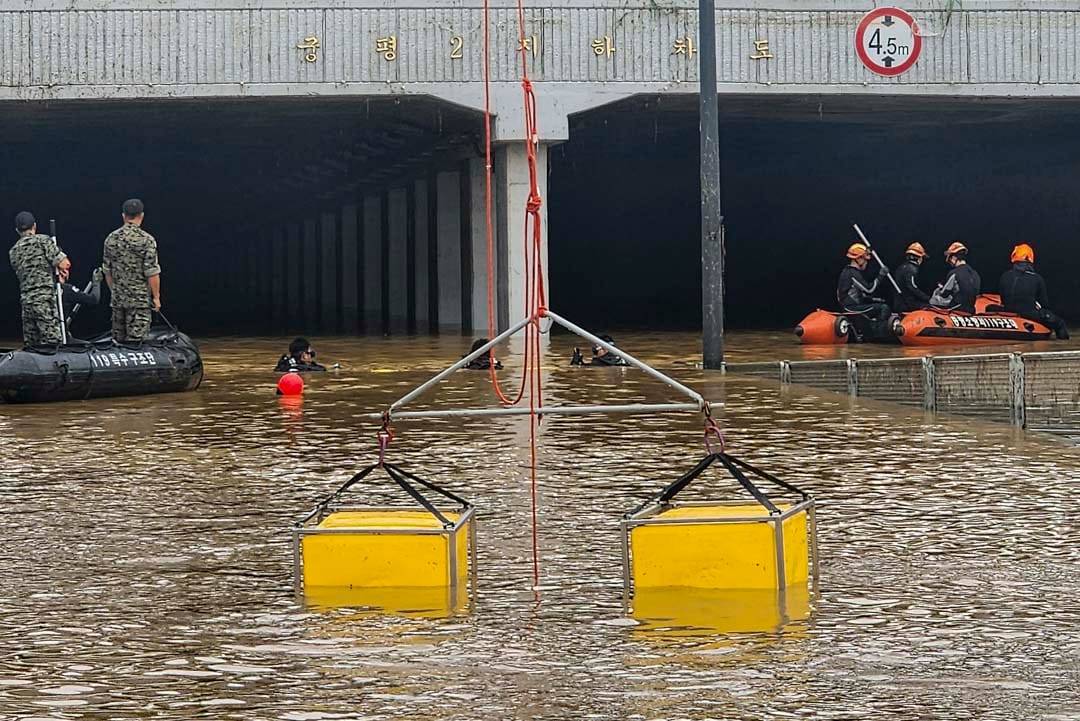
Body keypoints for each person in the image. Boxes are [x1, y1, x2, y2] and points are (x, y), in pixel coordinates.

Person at [102, 198, 161, 343]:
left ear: (123, 215)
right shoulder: (147, 240)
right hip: (139, 301)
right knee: (137, 343)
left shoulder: (111, 239)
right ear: (142, 215)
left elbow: (107, 271)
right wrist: (156, 297)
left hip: (118, 301)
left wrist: (114, 291)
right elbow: (152, 272)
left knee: (118, 342)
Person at [8, 211, 71, 347]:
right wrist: (61, 272)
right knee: (52, 342)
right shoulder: (43, 240)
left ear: (17, 230)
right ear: (34, 226)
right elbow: (65, 263)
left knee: (32, 345)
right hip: (44, 299)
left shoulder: (13, 251)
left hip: (26, 301)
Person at [999, 244, 1069, 340]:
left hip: (1007, 311)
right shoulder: (1036, 278)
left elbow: (1002, 298)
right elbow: (1044, 303)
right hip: (1028, 313)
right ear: (1029, 259)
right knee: (1060, 323)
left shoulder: (1005, 276)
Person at [836, 243, 891, 335]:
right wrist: (881, 275)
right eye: (865, 260)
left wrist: (873, 299)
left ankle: (871, 329)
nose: (866, 263)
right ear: (858, 259)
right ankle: (878, 335)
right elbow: (869, 289)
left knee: (879, 304)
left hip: (850, 305)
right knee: (884, 308)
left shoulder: (848, 271)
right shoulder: (852, 273)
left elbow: (858, 293)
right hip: (851, 308)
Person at [931, 242, 980, 315]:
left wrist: (940, 289)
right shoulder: (975, 274)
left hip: (956, 309)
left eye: (950, 260)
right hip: (971, 310)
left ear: (954, 258)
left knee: (932, 300)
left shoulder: (954, 273)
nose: (950, 263)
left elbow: (944, 293)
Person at [892, 242, 932, 312]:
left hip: (898, 303)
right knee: (931, 308)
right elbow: (912, 287)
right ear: (919, 258)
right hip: (907, 304)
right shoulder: (911, 269)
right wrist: (928, 298)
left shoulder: (901, 267)